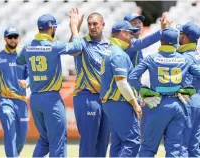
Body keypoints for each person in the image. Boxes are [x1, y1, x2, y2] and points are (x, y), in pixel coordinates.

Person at [16, 10, 83, 157]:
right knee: (58, 141)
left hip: (35, 99)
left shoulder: (28, 46)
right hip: (51, 99)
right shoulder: (54, 46)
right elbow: (77, 47)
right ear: (52, 28)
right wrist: (74, 28)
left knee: (45, 140)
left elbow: (19, 61)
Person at [129, 27, 200, 157]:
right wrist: (190, 90)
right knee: (174, 150)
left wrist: (144, 91)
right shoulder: (185, 59)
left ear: (161, 41)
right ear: (176, 42)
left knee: (148, 148)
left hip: (157, 104)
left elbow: (132, 77)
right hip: (179, 105)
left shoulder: (151, 58)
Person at [100, 20, 142, 157]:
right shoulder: (118, 53)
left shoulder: (108, 50)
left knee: (118, 143)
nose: (132, 36)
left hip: (111, 102)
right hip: (119, 102)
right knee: (133, 141)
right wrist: (135, 104)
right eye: (130, 33)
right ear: (122, 33)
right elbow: (122, 83)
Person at [72, 12, 110, 157]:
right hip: (87, 97)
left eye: (95, 24)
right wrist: (75, 27)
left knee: (103, 143)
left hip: (106, 99)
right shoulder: (82, 43)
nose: (92, 27)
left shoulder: (110, 45)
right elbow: (72, 48)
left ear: (103, 25)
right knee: (88, 143)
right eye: (90, 24)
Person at [0, 26, 29, 157]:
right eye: (10, 37)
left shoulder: (24, 56)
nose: (13, 39)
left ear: (18, 38)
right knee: (10, 130)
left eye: (15, 36)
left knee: (22, 137)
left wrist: (27, 82)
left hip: (22, 101)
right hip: (5, 99)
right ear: (5, 38)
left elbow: (30, 76)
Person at [176, 22, 200, 157]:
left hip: (187, 102)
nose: (178, 36)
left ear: (185, 37)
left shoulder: (184, 57)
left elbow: (185, 86)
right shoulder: (198, 56)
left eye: (180, 34)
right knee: (194, 146)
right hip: (198, 101)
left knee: (181, 145)